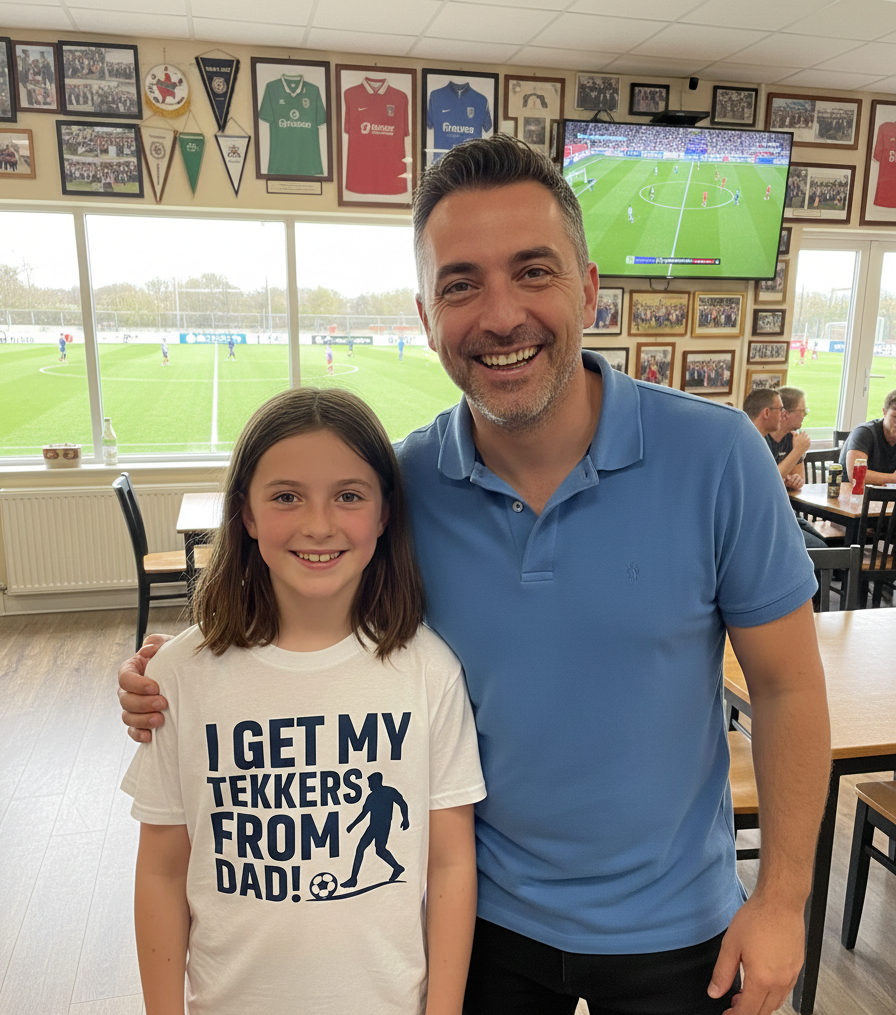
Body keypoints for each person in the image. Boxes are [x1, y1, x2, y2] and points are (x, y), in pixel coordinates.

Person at [118, 135, 830, 1015]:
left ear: (589, 288)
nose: (500, 315)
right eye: (461, 284)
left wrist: (784, 900)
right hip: (473, 923)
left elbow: (789, 687)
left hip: (679, 928)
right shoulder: (399, 488)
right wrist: (167, 675)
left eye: (534, 271)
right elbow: (292, 624)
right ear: (426, 317)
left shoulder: (719, 455)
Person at [121, 386, 485, 1015]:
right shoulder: (180, 675)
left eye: (348, 495)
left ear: (384, 514)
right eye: (287, 496)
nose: (319, 525)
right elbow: (160, 869)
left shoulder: (429, 672)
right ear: (247, 515)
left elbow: (451, 863)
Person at [743, 387, 826, 549]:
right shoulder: (755, 439)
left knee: (822, 543)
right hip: (764, 517)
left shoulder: (791, 437)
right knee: (818, 548)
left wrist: (793, 479)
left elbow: (797, 478)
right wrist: (798, 451)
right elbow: (770, 481)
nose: (783, 414)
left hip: (783, 511)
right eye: (780, 409)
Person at [839, 388, 896, 484]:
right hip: (852, 494)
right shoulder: (864, 433)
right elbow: (856, 475)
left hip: (887, 496)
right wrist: (893, 479)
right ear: (884, 412)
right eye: (895, 417)